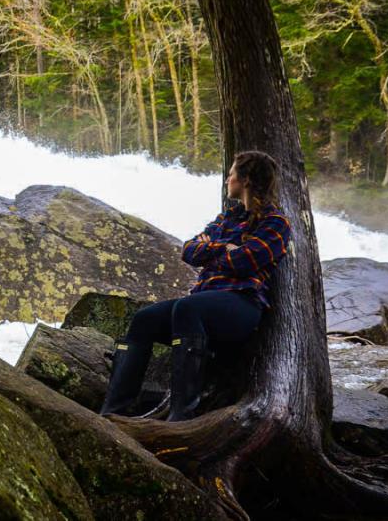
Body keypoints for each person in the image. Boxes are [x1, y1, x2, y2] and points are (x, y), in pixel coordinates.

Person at [99, 150, 292, 422]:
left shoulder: (275, 223)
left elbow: (245, 261)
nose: (228, 179)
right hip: (203, 303)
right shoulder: (226, 218)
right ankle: (113, 411)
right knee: (145, 319)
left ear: (246, 180)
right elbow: (189, 250)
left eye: (232, 174)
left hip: (241, 306)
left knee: (187, 308)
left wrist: (211, 250)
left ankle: (181, 415)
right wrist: (225, 246)